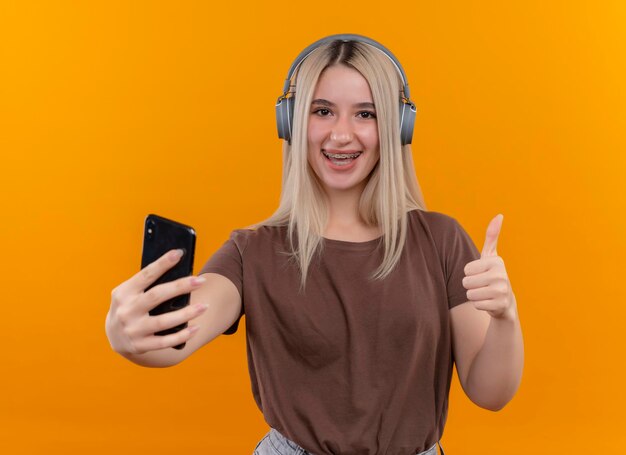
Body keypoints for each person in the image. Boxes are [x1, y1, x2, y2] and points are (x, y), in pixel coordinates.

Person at [105, 34, 524, 455]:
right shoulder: (252, 252)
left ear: (398, 128)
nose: (341, 135)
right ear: (291, 121)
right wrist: (128, 333)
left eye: (366, 113)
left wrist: (505, 316)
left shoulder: (442, 241)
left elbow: (492, 393)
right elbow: (176, 340)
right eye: (322, 111)